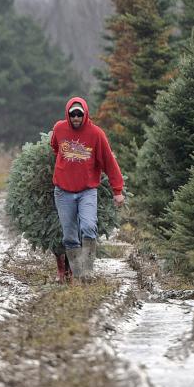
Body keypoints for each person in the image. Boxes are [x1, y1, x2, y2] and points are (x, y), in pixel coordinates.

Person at [50, 96, 125, 282]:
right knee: (69, 236)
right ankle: (79, 275)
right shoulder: (59, 129)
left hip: (87, 191)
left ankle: (88, 271)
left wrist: (118, 191)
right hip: (63, 191)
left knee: (89, 227)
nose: (76, 118)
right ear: (67, 114)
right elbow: (55, 146)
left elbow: (109, 162)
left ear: (85, 114)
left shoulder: (96, 134)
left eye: (79, 114)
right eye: (72, 114)